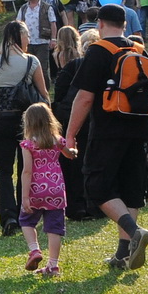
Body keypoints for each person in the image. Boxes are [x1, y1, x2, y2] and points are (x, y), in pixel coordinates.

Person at [64, 6, 148, 272]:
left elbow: (84, 98)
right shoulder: (139, 50)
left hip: (108, 129)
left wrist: (70, 134)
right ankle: (123, 254)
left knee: (96, 185)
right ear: (125, 24)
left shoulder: (98, 50)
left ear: (100, 24)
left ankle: (134, 231)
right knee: (131, 189)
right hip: (139, 129)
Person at [0, 21, 50, 236]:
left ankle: (8, 216)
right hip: (27, 123)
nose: (28, 40)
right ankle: (24, 213)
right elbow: (44, 94)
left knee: (3, 171)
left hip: (3, 120)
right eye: (27, 35)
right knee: (25, 169)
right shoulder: (31, 61)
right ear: (20, 36)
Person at [18, 103, 73, 277]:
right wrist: (74, 150)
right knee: (54, 228)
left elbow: (27, 171)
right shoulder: (57, 140)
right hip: (56, 189)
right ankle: (53, 266)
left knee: (26, 220)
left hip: (36, 189)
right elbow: (69, 154)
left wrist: (25, 197)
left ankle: (34, 250)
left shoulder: (28, 144)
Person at [50, 27, 92, 220]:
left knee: (70, 160)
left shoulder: (60, 57)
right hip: (89, 116)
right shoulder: (86, 64)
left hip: (67, 114)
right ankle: (90, 201)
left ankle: (75, 204)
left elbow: (59, 92)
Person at [18, 0, 58, 85]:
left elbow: (53, 23)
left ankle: (44, 90)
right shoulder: (23, 8)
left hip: (42, 42)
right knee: (28, 68)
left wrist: (53, 39)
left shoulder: (47, 7)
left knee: (42, 69)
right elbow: (18, 24)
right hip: (27, 43)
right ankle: (31, 90)